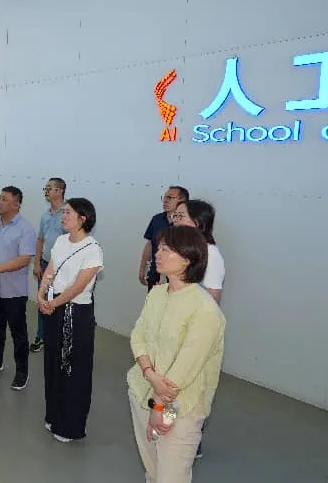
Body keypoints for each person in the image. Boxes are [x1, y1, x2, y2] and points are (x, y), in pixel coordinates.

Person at [128, 225, 225, 483]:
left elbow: (184, 370)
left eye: (166, 249)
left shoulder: (205, 310)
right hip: (142, 393)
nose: (157, 254)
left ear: (187, 259)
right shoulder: (157, 294)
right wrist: (149, 374)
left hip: (179, 407)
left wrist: (159, 408)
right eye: (159, 248)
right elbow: (138, 336)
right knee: (152, 471)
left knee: (171, 476)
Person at [37, 197, 102, 442]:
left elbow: (78, 287)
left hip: (76, 313)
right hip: (54, 307)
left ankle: (70, 426)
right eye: (63, 212)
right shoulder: (61, 241)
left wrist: (53, 303)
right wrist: (41, 294)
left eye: (68, 213)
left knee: (73, 368)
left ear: (82, 219)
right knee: (53, 362)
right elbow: (50, 271)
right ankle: (53, 415)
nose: (62, 217)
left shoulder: (93, 249)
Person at [170, 198, 225, 459]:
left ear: (198, 223)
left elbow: (212, 297)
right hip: (176, 329)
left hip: (193, 335)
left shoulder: (210, 255)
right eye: (175, 215)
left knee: (190, 390)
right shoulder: (184, 250)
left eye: (181, 216)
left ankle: (190, 443)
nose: (175, 220)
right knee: (172, 388)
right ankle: (170, 430)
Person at [0, 186, 36, 390]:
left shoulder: (25, 228)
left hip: (14, 291)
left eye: (4, 199)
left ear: (16, 204)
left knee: (18, 333)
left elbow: (24, 259)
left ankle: (22, 372)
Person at [30, 177, 67, 353]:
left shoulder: (68, 214)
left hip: (62, 269)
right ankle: (42, 336)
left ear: (60, 191)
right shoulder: (45, 215)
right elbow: (40, 239)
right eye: (45, 188)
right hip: (45, 265)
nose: (46, 191)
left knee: (60, 303)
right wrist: (37, 263)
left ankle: (59, 338)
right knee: (43, 300)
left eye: (49, 188)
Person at [139, 186, 188, 290]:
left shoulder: (185, 224)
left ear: (182, 201)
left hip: (177, 278)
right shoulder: (157, 219)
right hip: (154, 274)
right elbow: (150, 244)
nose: (165, 201)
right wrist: (142, 268)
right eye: (164, 197)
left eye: (170, 197)